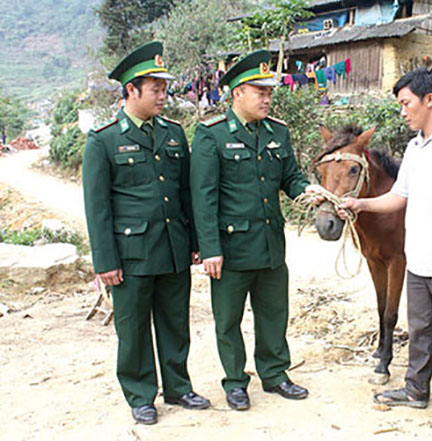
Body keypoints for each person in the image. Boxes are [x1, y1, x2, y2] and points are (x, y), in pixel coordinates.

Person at [340, 68, 432, 431]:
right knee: (420, 329)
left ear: (429, 100)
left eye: (406, 103)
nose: (402, 111)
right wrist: (361, 206)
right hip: (417, 258)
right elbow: (399, 196)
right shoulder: (415, 146)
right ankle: (416, 389)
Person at [82, 41, 209, 425]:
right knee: (134, 329)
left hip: (173, 249)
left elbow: (185, 191)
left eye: (163, 88)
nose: (162, 96)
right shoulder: (102, 141)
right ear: (131, 91)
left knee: (175, 322)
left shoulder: (172, 134)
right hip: (131, 254)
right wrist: (105, 261)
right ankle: (140, 394)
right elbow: (97, 208)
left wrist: (196, 243)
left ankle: (178, 386)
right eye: (154, 89)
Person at [190, 50, 323, 411]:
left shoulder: (278, 132)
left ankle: (275, 374)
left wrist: (305, 189)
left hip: (269, 244)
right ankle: (235, 381)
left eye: (269, 93)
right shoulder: (211, 135)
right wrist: (210, 249)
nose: (267, 99)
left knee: (273, 313)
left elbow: (290, 177)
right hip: (231, 249)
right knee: (228, 320)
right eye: (259, 92)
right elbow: (203, 198)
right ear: (236, 94)